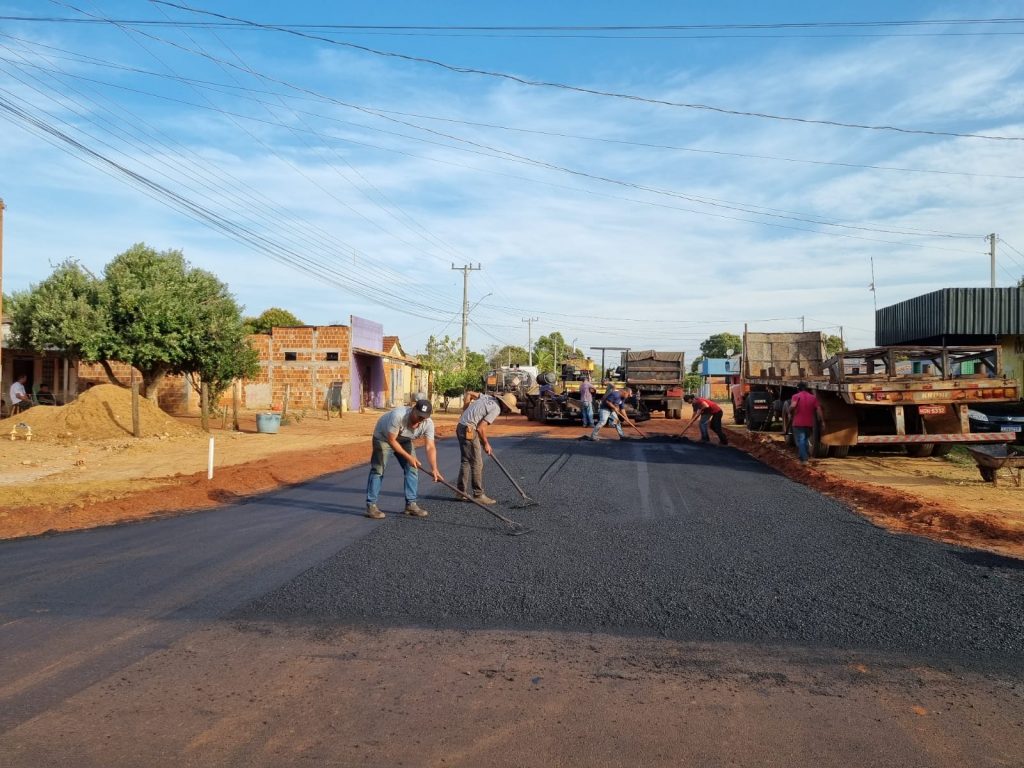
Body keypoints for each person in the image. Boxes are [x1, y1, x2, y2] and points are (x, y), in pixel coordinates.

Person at [365, 399, 443, 520]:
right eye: (418, 416)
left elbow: (430, 446)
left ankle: (411, 504)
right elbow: (392, 440)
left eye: (423, 418)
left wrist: (434, 469)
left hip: (404, 439)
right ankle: (371, 505)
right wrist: (409, 457)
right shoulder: (399, 416)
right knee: (378, 470)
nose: (419, 420)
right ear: (413, 409)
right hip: (384, 438)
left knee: (412, 468)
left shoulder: (428, 424)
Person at [456, 391, 519, 504]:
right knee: (477, 463)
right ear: (504, 404)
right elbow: (481, 428)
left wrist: (465, 411)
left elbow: (469, 394)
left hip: (461, 426)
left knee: (465, 461)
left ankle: (461, 492)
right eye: (508, 408)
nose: (508, 410)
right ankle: (478, 494)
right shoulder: (496, 408)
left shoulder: (488, 397)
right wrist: (486, 443)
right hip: (469, 429)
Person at [789, 382, 825, 464]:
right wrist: (822, 421)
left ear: (798, 389)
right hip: (809, 423)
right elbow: (819, 410)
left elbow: (793, 406)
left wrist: (789, 411)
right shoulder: (813, 397)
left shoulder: (796, 396)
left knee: (801, 440)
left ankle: (804, 459)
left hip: (798, 423)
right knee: (805, 439)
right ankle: (803, 456)